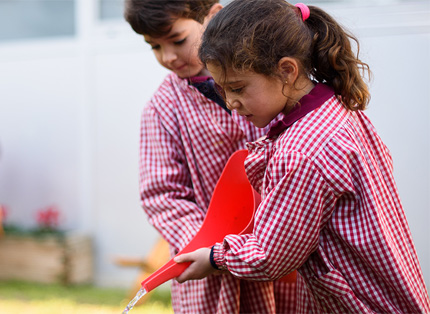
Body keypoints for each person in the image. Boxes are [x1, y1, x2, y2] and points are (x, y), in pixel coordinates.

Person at [174, 1, 430, 312]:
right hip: (392, 292)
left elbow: (271, 256)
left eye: (239, 88)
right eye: (223, 90)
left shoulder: (300, 151)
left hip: (361, 304)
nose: (231, 103)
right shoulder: (339, 109)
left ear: (286, 70)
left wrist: (215, 258)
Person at [124, 0, 296, 312]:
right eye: (154, 47)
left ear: (213, 16)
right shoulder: (162, 109)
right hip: (211, 265)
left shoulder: (268, 81)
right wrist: (208, 244)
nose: (169, 57)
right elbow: (162, 194)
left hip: (282, 246)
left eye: (177, 40)